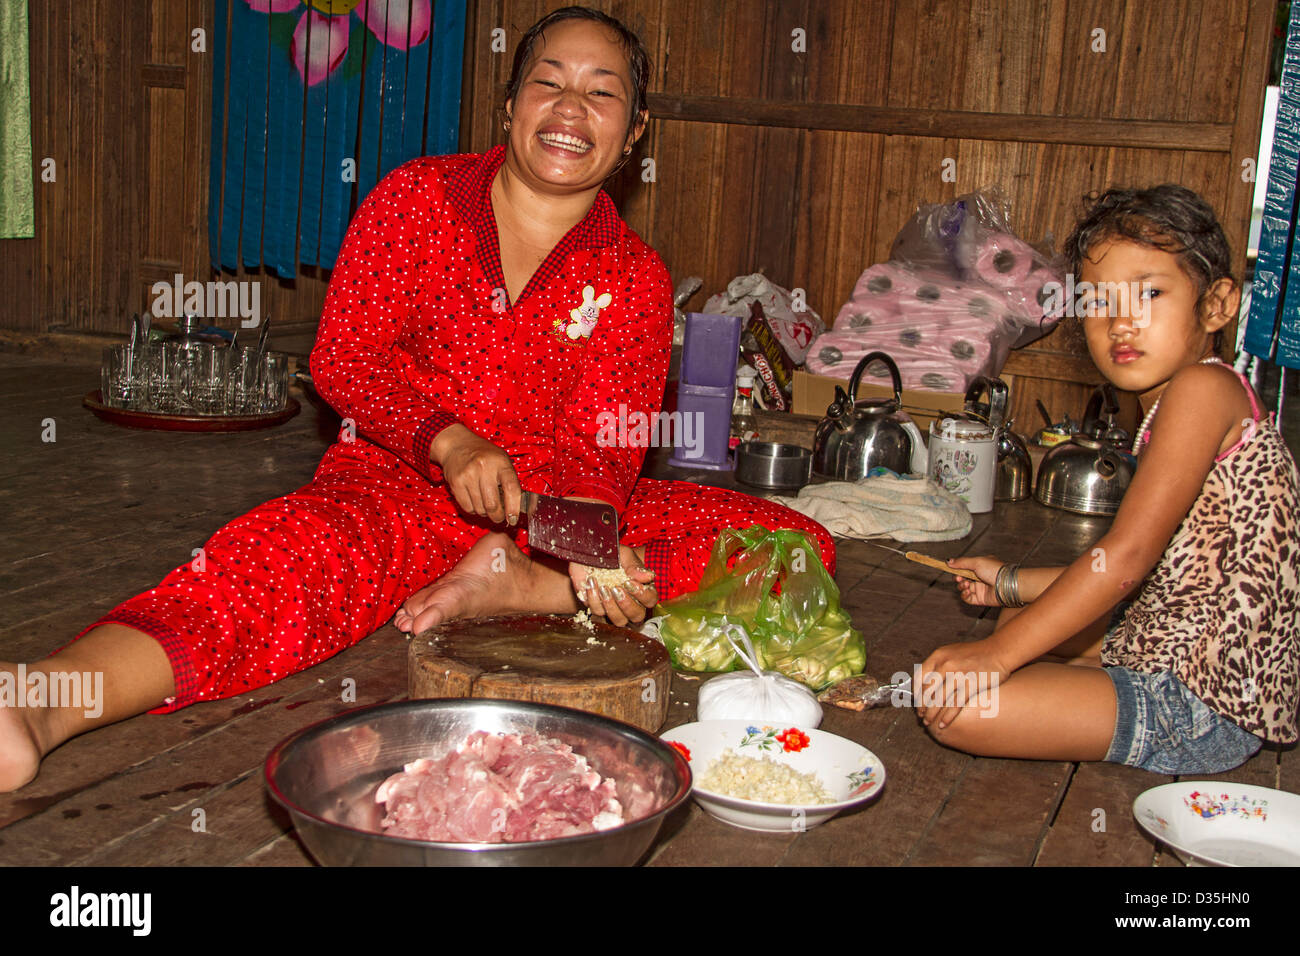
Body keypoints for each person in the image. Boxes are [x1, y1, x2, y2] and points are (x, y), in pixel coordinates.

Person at [0, 6, 834, 793]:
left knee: (790, 544)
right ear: (510, 106)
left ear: (634, 132)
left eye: (603, 90)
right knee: (281, 566)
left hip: (544, 516)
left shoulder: (634, 278)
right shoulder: (418, 201)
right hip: (396, 487)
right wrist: (449, 441)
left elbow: (601, 454)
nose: (570, 107)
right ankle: (40, 702)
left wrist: (576, 544)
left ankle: (519, 583)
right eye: (548, 82)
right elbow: (345, 359)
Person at [917, 184, 1299, 773]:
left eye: (1149, 292)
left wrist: (993, 658)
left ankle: (1108, 702)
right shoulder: (1186, 398)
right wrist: (1010, 582)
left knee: (960, 707)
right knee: (1018, 617)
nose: (1121, 322)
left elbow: (1125, 560)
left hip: (1204, 702)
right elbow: (1147, 567)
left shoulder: (1202, 392)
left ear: (1217, 303)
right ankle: (1075, 672)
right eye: (1098, 301)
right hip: (1171, 639)